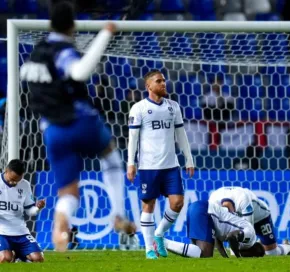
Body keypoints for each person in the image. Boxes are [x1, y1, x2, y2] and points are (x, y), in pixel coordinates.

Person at [19, 1, 134, 251]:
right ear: (72, 25)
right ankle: (118, 214)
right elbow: (80, 72)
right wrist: (105, 33)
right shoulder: (63, 50)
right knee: (111, 156)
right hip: (80, 121)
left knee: (68, 193)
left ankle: (60, 231)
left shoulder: (36, 52)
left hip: (52, 130)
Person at [126, 70, 195, 259]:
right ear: (149, 86)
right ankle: (149, 249)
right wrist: (130, 163)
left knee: (177, 202)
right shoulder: (138, 109)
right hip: (148, 166)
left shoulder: (173, 107)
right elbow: (133, 139)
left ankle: (159, 234)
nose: (163, 83)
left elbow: (181, 135)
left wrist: (188, 159)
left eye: (164, 80)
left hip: (171, 166)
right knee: (148, 206)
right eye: (159, 81)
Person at [163, 201, 265, 258]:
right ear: (254, 253)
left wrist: (226, 258)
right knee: (205, 254)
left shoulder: (242, 235)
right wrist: (239, 258)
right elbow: (231, 236)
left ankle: (162, 243)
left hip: (198, 208)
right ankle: (163, 243)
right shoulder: (250, 236)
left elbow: (217, 239)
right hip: (205, 212)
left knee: (198, 255)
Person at [208, 186, 290, 256]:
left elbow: (249, 229)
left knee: (272, 253)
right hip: (243, 220)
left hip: (260, 217)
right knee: (235, 252)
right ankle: (259, 243)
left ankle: (287, 246)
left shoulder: (243, 199)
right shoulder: (213, 201)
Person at [0, 160, 45, 263]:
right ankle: (11, 254)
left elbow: (30, 212)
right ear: (6, 170)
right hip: (1, 231)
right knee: (4, 259)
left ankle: (18, 255)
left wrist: (38, 208)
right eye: (12, 179)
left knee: (38, 259)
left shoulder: (25, 185)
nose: (14, 182)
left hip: (20, 231)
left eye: (17, 180)